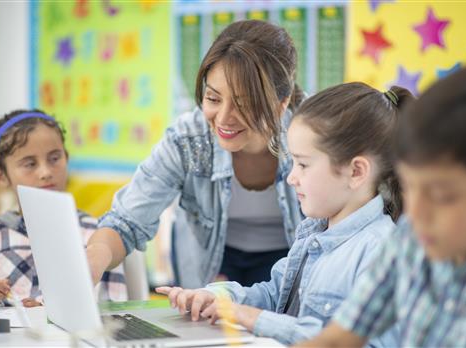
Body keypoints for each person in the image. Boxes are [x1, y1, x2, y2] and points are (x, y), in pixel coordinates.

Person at [156, 82, 414, 346]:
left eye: (303, 164)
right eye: (292, 163)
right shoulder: (313, 232)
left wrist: (253, 318)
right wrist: (219, 298)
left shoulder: (380, 253)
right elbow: (273, 294)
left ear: (356, 172)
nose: (291, 178)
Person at [86, 20, 305, 288]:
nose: (223, 119)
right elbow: (126, 222)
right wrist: (90, 263)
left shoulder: (320, 132)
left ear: (281, 104)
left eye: (244, 104)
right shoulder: (187, 139)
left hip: (291, 261)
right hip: (210, 265)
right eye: (213, 99)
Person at [294, 65, 466, 348]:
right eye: (410, 187)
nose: (416, 214)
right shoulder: (411, 240)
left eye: (441, 196)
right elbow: (338, 340)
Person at [0, 109, 127, 307]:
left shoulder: (98, 235)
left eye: (54, 159)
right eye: (30, 164)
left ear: (67, 158)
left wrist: (49, 315)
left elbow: (114, 311)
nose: (46, 172)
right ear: (0, 176)